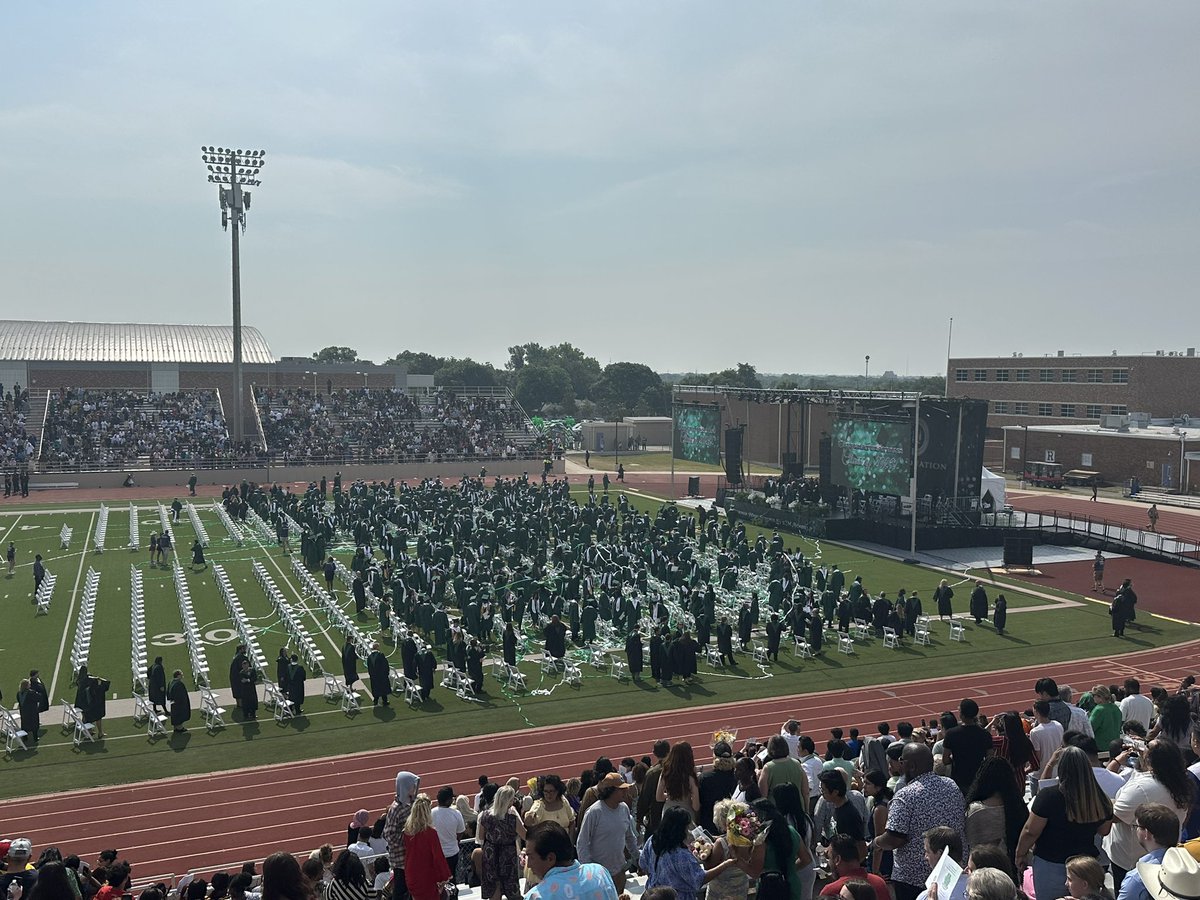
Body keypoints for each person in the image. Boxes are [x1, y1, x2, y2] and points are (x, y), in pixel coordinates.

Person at [1014, 745, 1114, 900]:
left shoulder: (1049, 796)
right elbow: (1104, 830)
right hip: (1086, 867)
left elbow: (1030, 831)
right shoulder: (1100, 798)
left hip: (1051, 864)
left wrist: (1020, 854)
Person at [877, 743, 967, 900]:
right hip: (952, 873)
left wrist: (876, 842)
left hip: (915, 879)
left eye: (901, 760)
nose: (900, 764)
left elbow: (894, 839)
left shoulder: (905, 795)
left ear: (911, 765)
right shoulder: (951, 785)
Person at [1106, 741, 1193, 888]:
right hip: (1166, 854)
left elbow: (1114, 816)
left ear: (1149, 758)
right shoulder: (1182, 782)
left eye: (1146, 746)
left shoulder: (1141, 788)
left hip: (1132, 859)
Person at [639, 807, 735, 900]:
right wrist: (725, 864)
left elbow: (643, 864)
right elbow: (699, 879)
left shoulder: (653, 840)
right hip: (677, 896)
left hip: (653, 894)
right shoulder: (681, 854)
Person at [523, 821, 619, 900]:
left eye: (531, 857)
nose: (529, 865)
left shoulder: (536, 896)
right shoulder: (600, 873)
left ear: (550, 858)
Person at [576, 773, 638, 893]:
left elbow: (629, 837)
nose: (626, 792)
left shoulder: (624, 808)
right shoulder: (594, 812)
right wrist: (590, 872)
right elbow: (582, 843)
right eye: (622, 789)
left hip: (619, 872)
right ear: (610, 791)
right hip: (598, 876)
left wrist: (637, 858)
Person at [964, 757, 1025, 863]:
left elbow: (969, 842)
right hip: (1010, 864)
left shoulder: (975, 810)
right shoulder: (1018, 806)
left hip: (981, 866)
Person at [1115, 802, 1180, 900]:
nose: (1136, 830)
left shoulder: (1137, 879)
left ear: (1146, 834)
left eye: (1137, 826)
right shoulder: (1191, 865)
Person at [524, 775, 575, 886]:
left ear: (558, 791)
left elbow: (572, 821)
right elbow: (529, 819)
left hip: (562, 855)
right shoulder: (539, 805)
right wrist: (529, 817)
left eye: (552, 791)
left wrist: (570, 841)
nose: (549, 794)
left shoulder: (563, 802)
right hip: (545, 857)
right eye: (546, 791)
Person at [703, 799, 757, 900]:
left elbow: (709, 867)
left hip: (720, 892)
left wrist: (704, 854)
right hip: (740, 888)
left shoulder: (721, 844)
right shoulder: (748, 841)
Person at [478, 785, 526, 900]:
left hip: (490, 854)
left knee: (494, 887)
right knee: (511, 885)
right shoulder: (512, 818)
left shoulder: (484, 816)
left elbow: (480, 837)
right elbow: (525, 835)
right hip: (508, 854)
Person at [400, 795, 449, 900]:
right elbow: (438, 856)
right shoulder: (430, 832)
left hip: (411, 872)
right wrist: (444, 876)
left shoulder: (407, 831)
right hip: (426, 874)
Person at [942, 699, 995, 793]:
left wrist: (955, 759)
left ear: (961, 715)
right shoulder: (985, 734)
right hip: (978, 778)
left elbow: (945, 760)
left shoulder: (951, 734)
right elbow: (990, 758)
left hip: (959, 778)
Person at [819, 834, 890, 900]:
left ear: (837, 859)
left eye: (829, 857)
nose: (828, 862)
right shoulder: (879, 883)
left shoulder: (830, 891)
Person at [656, 741, 700, 820]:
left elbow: (659, 797)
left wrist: (670, 796)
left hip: (668, 813)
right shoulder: (690, 775)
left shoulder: (666, 772)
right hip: (686, 815)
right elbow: (696, 806)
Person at [430, 787, 465, 879]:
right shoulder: (456, 813)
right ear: (448, 800)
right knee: (451, 877)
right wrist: (455, 841)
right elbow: (460, 832)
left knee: (437, 878)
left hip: (436, 853)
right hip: (452, 852)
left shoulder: (431, 813)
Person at [73, 665, 111, 739]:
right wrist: (98, 679)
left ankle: (89, 731)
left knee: (85, 716)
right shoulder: (89, 681)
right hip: (90, 705)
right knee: (98, 717)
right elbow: (99, 686)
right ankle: (100, 732)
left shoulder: (80, 681)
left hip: (82, 704)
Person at [168, 669, 191, 733]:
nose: (182, 676)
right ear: (178, 676)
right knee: (179, 715)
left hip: (173, 702)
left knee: (175, 714)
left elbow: (168, 692)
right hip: (179, 703)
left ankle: (176, 727)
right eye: (181, 674)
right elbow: (181, 695)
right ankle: (179, 728)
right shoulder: (178, 684)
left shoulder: (171, 682)